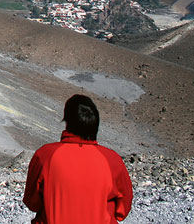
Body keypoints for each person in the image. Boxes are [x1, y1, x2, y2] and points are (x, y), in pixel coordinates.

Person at [23, 94, 133, 223]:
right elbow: (122, 210)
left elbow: (32, 203)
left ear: (67, 122)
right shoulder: (111, 159)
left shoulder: (45, 155)